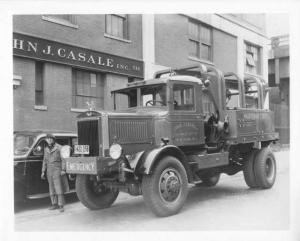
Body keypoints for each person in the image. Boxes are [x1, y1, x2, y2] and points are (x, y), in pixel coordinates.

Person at [41, 134, 69, 212]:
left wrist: (63, 169)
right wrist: (43, 171)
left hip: (57, 169)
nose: (49, 140)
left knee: (58, 187)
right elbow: (44, 160)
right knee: (51, 187)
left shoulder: (59, 147)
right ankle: (54, 204)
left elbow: (63, 159)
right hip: (49, 170)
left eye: (50, 139)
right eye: (47, 139)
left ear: (53, 139)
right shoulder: (46, 149)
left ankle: (61, 205)